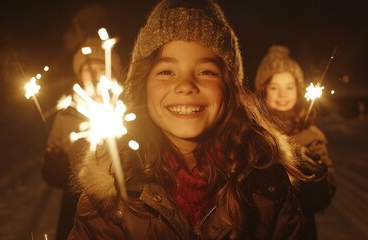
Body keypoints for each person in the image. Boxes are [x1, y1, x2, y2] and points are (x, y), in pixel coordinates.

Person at [68, 0, 308, 239]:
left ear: (230, 87)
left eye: (206, 72)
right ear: (143, 86)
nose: (185, 85)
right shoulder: (109, 193)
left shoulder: (265, 184)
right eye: (166, 72)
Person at [41, 37, 121, 240]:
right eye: (88, 69)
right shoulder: (66, 116)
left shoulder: (125, 113)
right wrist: (55, 161)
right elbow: (52, 177)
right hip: (74, 205)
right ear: (78, 75)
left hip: (120, 207)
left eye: (100, 68)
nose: (94, 76)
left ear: (112, 73)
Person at [254, 45, 336, 240]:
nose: (283, 94)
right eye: (275, 87)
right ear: (263, 90)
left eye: (289, 87)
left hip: (300, 232)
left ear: (298, 90)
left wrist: (315, 176)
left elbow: (325, 196)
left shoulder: (311, 136)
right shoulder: (251, 132)